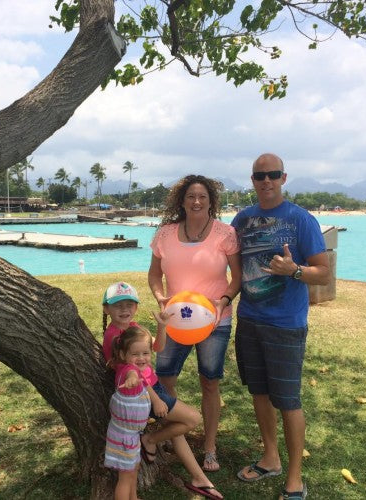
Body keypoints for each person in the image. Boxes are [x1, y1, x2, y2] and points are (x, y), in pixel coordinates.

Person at [230, 153, 330, 500]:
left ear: (284, 178)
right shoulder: (241, 220)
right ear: (253, 180)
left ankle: (294, 477)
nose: (266, 181)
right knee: (258, 392)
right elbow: (228, 262)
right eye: (260, 176)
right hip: (250, 321)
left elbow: (324, 272)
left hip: (286, 324)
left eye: (273, 175)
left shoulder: (301, 220)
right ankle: (270, 458)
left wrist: (295, 271)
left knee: (288, 401)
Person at [148, 175, 241, 473]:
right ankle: (174, 437)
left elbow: (236, 278)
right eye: (191, 196)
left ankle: (210, 447)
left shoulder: (225, 234)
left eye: (203, 196)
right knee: (164, 379)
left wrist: (223, 301)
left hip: (215, 321)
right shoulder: (165, 234)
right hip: (174, 321)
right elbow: (154, 275)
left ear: (211, 201)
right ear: (182, 201)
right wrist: (162, 298)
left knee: (209, 382)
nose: (197, 201)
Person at [102, 281, 224, 500]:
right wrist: (156, 400)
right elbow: (133, 374)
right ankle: (151, 440)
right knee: (191, 419)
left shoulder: (133, 328)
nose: (124, 310)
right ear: (106, 309)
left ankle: (199, 478)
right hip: (143, 395)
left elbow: (156, 348)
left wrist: (162, 326)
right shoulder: (114, 337)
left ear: (136, 308)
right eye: (118, 305)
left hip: (152, 386)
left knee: (176, 427)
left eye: (129, 304)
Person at [104, 327, 153, 500]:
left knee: (133, 471)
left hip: (128, 435)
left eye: (145, 353)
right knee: (125, 478)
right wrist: (132, 379)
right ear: (124, 355)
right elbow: (131, 374)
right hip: (124, 438)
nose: (141, 358)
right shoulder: (129, 371)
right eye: (135, 354)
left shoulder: (124, 367)